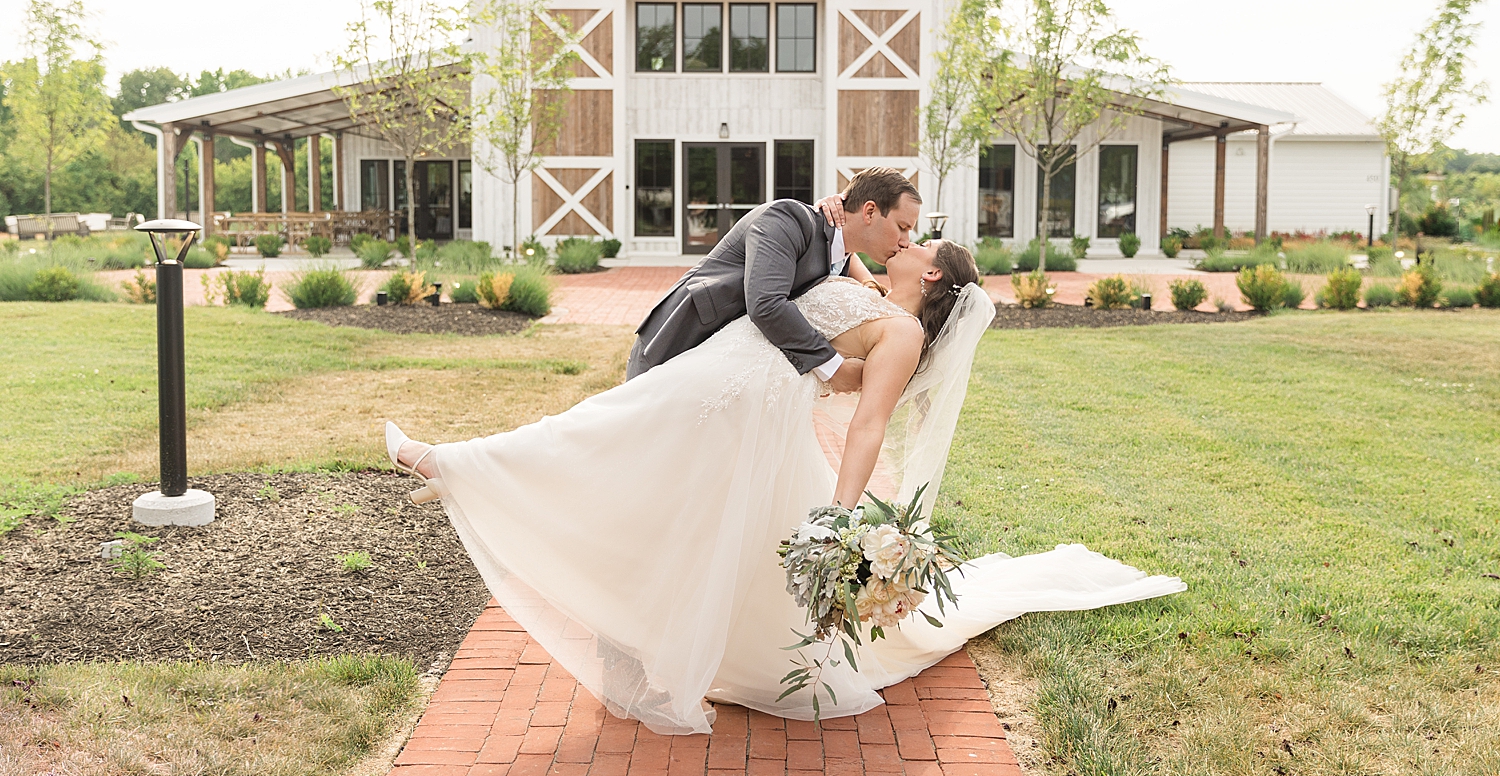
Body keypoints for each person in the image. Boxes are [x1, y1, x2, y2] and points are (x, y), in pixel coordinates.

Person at [386, 232, 1186, 735]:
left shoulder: (903, 331)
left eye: (917, 237)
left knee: (600, 435)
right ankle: (462, 473)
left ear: (933, 270)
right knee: (609, 443)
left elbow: (867, 417)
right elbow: (830, 291)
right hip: (717, 385)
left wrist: (842, 517)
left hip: (740, 413)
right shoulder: (866, 287)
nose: (904, 236)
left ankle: (449, 464)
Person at [625, 166, 922, 393]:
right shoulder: (787, 219)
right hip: (679, 342)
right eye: (903, 226)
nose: (906, 240)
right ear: (870, 210)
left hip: (722, 373)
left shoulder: (841, 261)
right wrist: (832, 367)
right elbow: (766, 304)